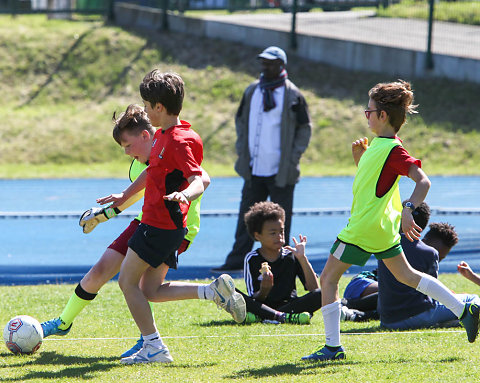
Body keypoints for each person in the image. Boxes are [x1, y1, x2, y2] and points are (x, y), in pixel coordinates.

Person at [301, 80, 480, 362]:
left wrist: (409, 207)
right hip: (382, 229)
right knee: (407, 276)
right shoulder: (380, 146)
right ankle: (462, 309)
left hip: (363, 229)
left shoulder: (394, 151)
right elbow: (375, 183)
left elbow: (423, 182)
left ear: (382, 115)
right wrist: (360, 159)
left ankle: (332, 348)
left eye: (368, 111)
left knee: (328, 279)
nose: (366, 115)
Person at [86, 72, 246, 364]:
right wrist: (124, 195)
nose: (145, 111)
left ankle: (154, 348)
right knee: (151, 289)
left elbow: (199, 178)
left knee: (127, 282)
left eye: (147, 106)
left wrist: (187, 194)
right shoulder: (163, 135)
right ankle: (212, 292)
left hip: (160, 226)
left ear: (159, 107)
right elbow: (152, 172)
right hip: (161, 226)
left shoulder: (180, 140)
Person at [39, 117, 216, 359]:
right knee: (101, 270)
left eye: (128, 146)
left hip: (176, 227)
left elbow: (201, 177)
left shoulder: (172, 145)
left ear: (146, 133)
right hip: (146, 221)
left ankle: (149, 341)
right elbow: (142, 189)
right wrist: (106, 214)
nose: (126, 153)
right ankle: (63, 322)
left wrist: (184, 195)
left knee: (144, 286)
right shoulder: (142, 158)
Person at [212, 46, 312, 273]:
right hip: (254, 168)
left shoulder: (293, 94)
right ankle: (237, 260)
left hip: (281, 171)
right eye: (263, 62)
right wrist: (242, 149)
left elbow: (304, 129)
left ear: (281, 65)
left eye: (270, 63)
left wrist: (293, 158)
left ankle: (283, 266)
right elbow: (240, 121)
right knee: (246, 218)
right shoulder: (252, 91)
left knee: (280, 224)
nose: (265, 66)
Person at [379, 218, 478, 330]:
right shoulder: (429, 253)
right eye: (439, 258)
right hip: (417, 317)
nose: (438, 260)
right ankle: (458, 321)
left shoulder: (387, 246)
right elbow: (432, 294)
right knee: (473, 299)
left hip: (387, 321)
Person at [237, 201, 321, 324]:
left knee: (322, 293)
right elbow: (254, 299)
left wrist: (302, 258)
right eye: (273, 233)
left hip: (289, 304)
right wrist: (264, 289)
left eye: (281, 231)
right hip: (263, 306)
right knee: (232, 293)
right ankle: (284, 317)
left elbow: (314, 288)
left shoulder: (291, 255)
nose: (280, 237)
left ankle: (268, 317)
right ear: (258, 235)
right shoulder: (252, 258)